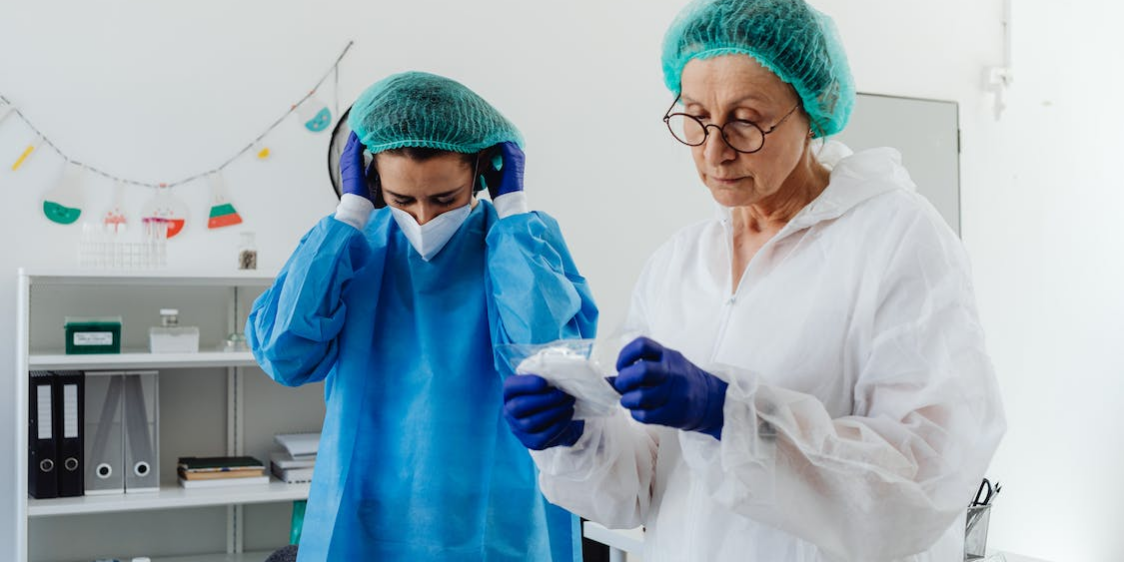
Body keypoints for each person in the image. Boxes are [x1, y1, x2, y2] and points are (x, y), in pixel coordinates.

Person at [500, 1, 1005, 560]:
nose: (714, 151)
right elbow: (642, 488)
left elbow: (925, 480)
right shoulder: (681, 262)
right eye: (695, 116)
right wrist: (575, 438)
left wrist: (731, 413)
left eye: (744, 120)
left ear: (811, 111)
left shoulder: (897, 239)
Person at [248, 71, 597, 562]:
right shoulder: (352, 248)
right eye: (402, 200)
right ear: (372, 182)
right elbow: (286, 355)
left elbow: (550, 363)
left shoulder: (519, 249)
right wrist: (349, 215)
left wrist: (514, 211)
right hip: (368, 502)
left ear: (480, 174)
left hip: (498, 512)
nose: (425, 218)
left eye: (444, 198)